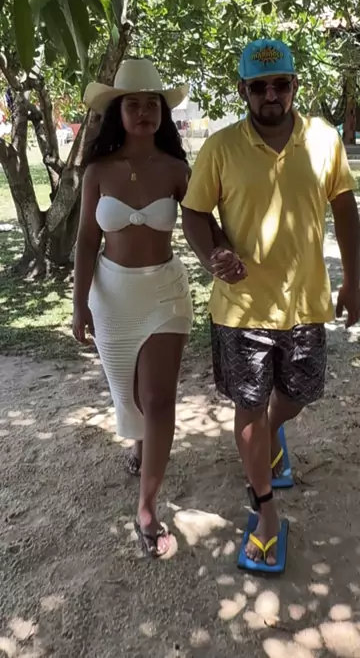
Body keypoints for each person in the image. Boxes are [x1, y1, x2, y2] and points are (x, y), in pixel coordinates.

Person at [182, 39, 360, 568]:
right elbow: (194, 213)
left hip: (305, 303)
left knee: (299, 395)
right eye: (258, 86)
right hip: (240, 309)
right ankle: (264, 509)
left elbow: (345, 210)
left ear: (294, 86)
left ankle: (268, 434)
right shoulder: (220, 148)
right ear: (243, 91)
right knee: (248, 409)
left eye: (280, 84)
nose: (270, 95)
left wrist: (352, 282)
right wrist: (213, 254)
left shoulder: (324, 139)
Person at [72, 58, 193, 559]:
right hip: (112, 296)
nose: (144, 112)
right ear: (118, 113)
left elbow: (201, 224)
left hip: (164, 291)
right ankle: (140, 444)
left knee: (159, 399)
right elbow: (86, 240)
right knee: (130, 397)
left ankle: (146, 506)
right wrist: (79, 303)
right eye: (134, 104)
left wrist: (225, 254)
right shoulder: (97, 172)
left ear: (162, 114)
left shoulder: (178, 170)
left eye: (152, 105)